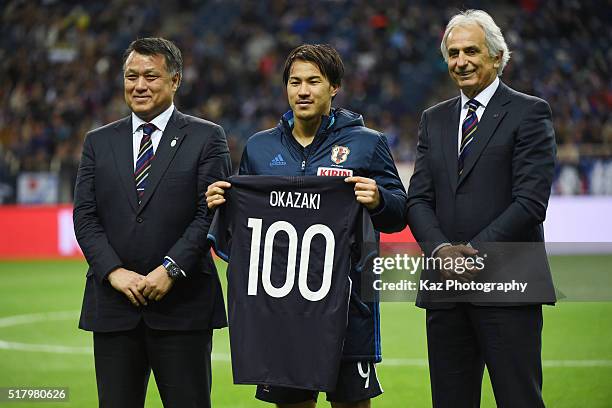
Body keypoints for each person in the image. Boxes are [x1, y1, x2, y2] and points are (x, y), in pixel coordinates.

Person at [206, 44, 407, 408]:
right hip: (281, 312)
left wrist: (379, 199)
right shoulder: (259, 148)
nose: (303, 90)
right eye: (295, 82)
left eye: (314, 81)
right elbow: (244, 235)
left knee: (352, 404)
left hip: (348, 308)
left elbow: (399, 213)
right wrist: (223, 205)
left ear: (334, 87)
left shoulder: (367, 144)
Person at [406, 9, 556, 408]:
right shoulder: (433, 120)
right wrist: (441, 252)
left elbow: (530, 202)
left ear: (496, 55)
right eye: (453, 53)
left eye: (471, 51)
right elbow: (418, 199)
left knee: (519, 399)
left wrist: (471, 254)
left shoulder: (530, 112)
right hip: (445, 289)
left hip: (508, 286)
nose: (461, 62)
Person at [73, 37, 231, 408]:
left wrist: (170, 269)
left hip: (182, 306)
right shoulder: (98, 142)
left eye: (150, 76)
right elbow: (85, 216)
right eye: (131, 76)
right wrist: (114, 272)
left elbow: (208, 212)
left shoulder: (207, 137)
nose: (139, 85)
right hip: (114, 305)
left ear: (175, 81)